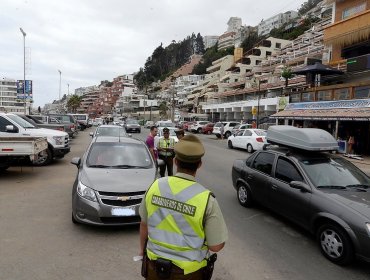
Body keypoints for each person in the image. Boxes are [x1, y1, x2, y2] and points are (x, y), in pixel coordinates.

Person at [139, 134, 228, 279]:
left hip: (154, 268)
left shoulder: (155, 186)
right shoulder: (207, 199)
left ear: (175, 161)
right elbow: (216, 246)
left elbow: (144, 224)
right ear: (199, 164)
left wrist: (141, 253)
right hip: (189, 273)